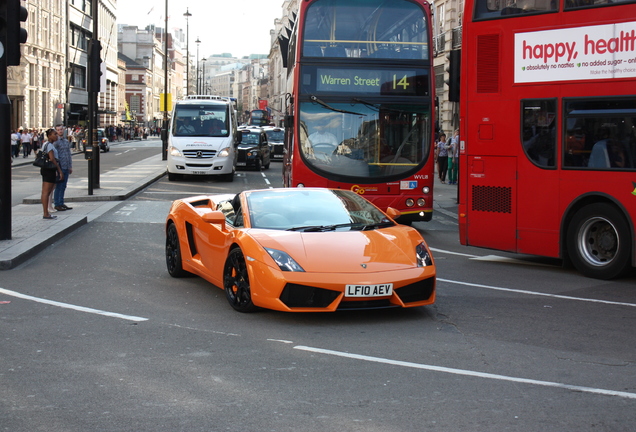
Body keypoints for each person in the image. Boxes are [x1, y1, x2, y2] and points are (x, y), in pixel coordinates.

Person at [41, 129, 64, 220]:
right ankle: (46, 213)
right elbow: (52, 159)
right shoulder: (50, 145)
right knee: (46, 192)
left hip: (45, 169)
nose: (56, 135)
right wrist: (59, 170)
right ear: (49, 135)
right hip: (50, 170)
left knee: (45, 192)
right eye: (54, 134)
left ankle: (46, 212)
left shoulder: (45, 144)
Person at [53, 124, 74, 211]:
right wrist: (56, 169)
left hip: (66, 166)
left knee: (64, 186)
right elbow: (54, 156)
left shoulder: (65, 141)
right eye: (58, 130)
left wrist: (70, 166)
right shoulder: (55, 142)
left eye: (61, 129)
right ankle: (57, 203)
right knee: (59, 186)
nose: (60, 131)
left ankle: (61, 202)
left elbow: (68, 154)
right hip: (60, 167)